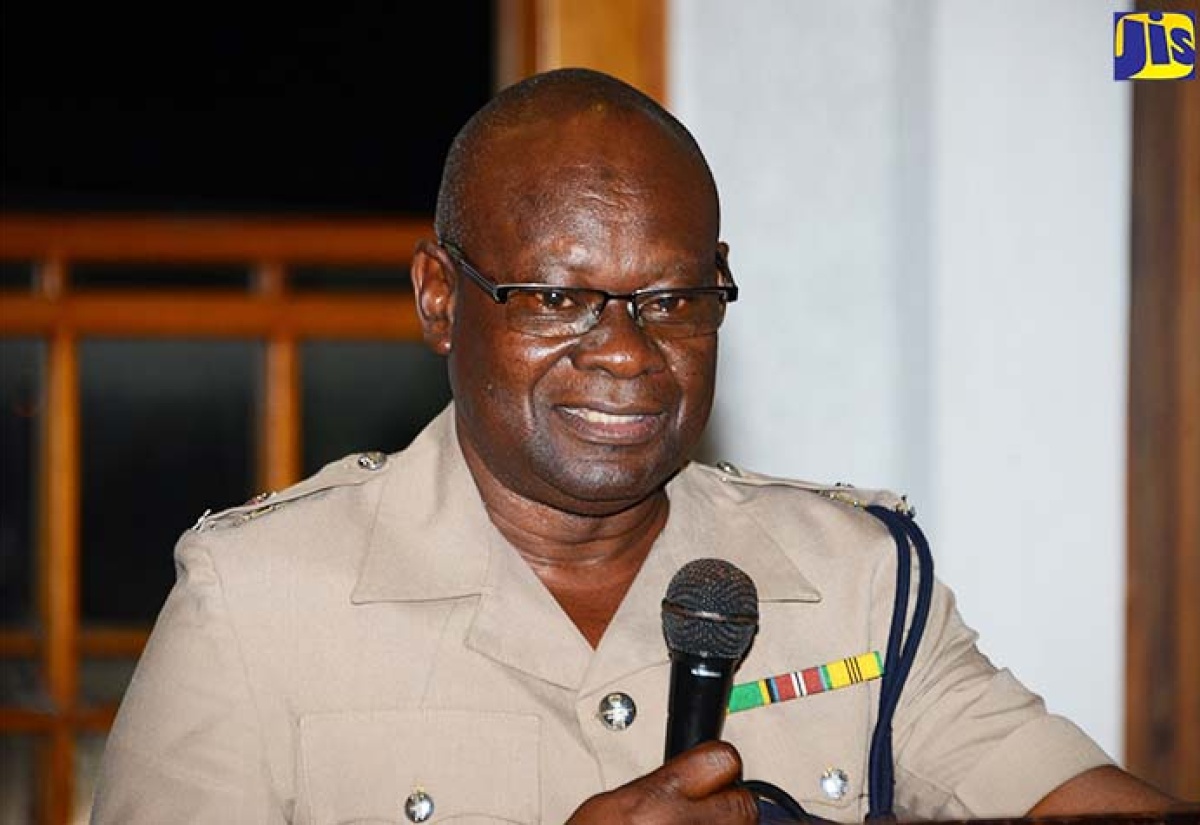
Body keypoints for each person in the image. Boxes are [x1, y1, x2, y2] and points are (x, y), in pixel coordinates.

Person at [92, 67, 1181, 824]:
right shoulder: (258, 604)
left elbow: (1075, 800)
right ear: (439, 299)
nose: (627, 353)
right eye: (560, 295)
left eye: (673, 298)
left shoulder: (852, 584)